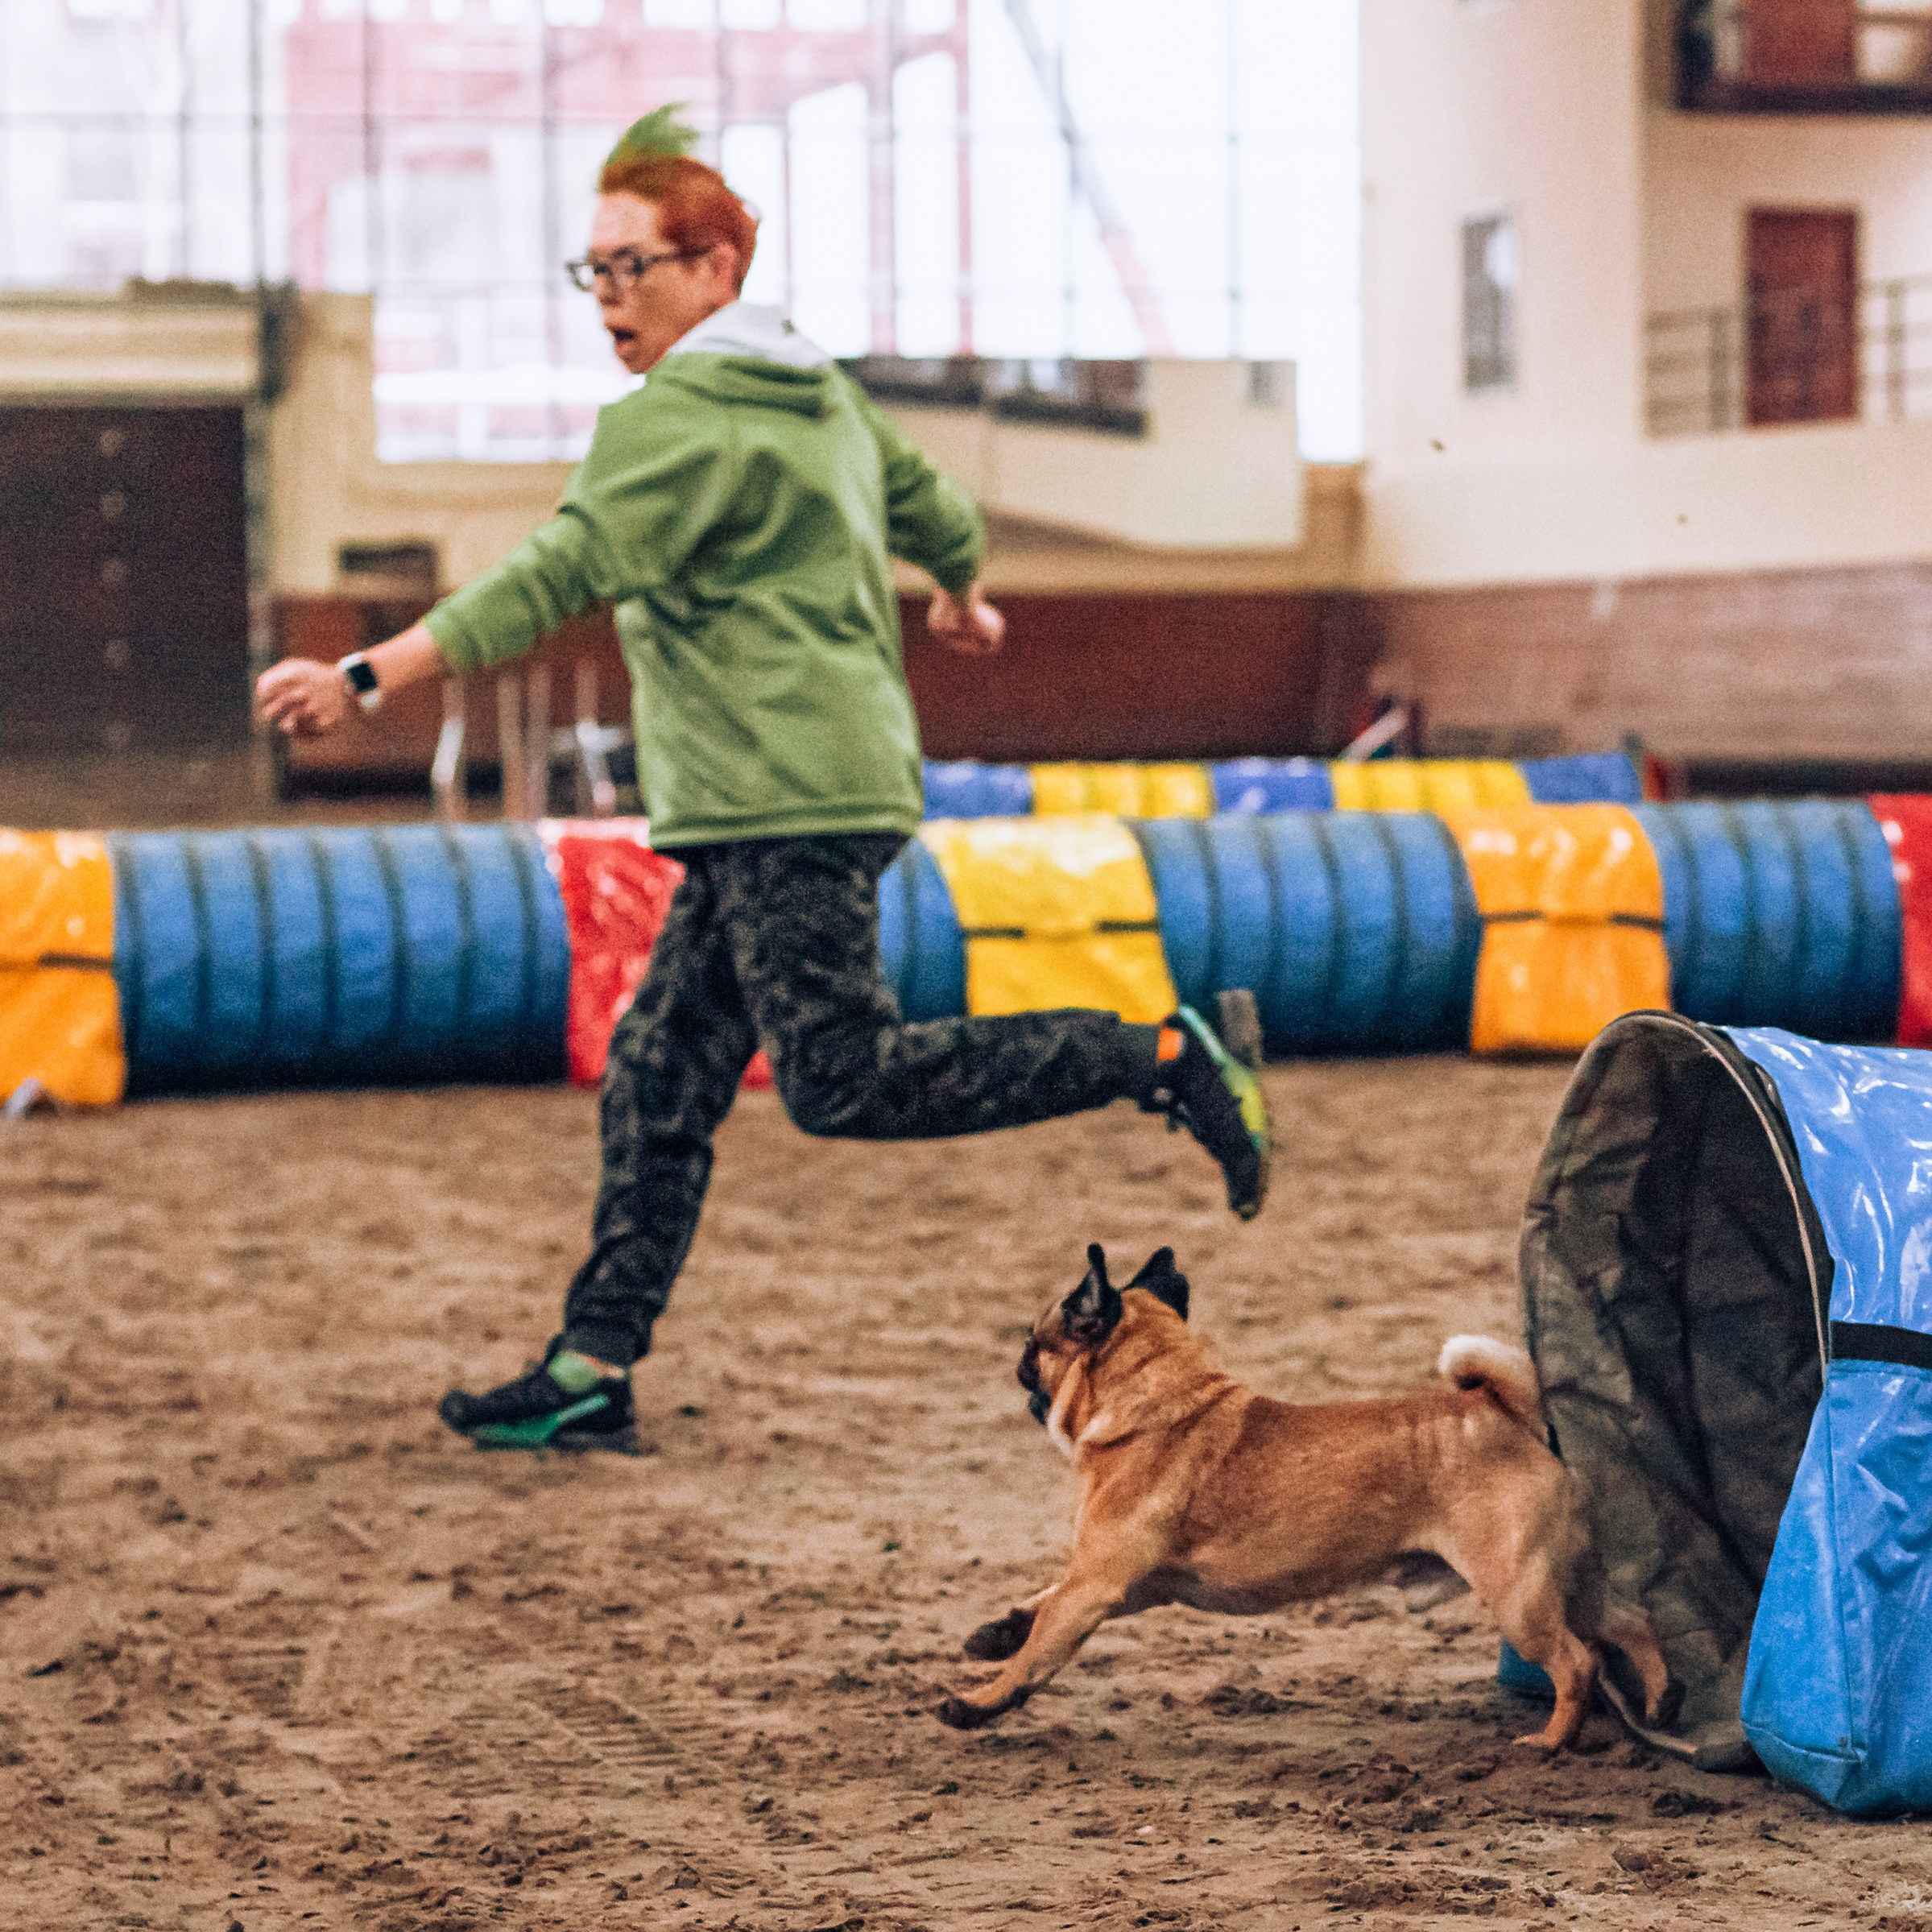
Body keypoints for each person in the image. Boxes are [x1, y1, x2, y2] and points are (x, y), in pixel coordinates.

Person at [257, 109, 1272, 1456]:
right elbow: (936, 509)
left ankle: (1164, 1054)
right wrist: (961, 587)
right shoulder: (826, 396)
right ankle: (590, 1363)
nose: (608, 297)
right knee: (659, 1072)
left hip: (783, 803)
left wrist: (368, 678)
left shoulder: (670, 423)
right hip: (800, 795)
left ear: (718, 265)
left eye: (634, 266)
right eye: (594, 269)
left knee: (842, 1079)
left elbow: (551, 577)